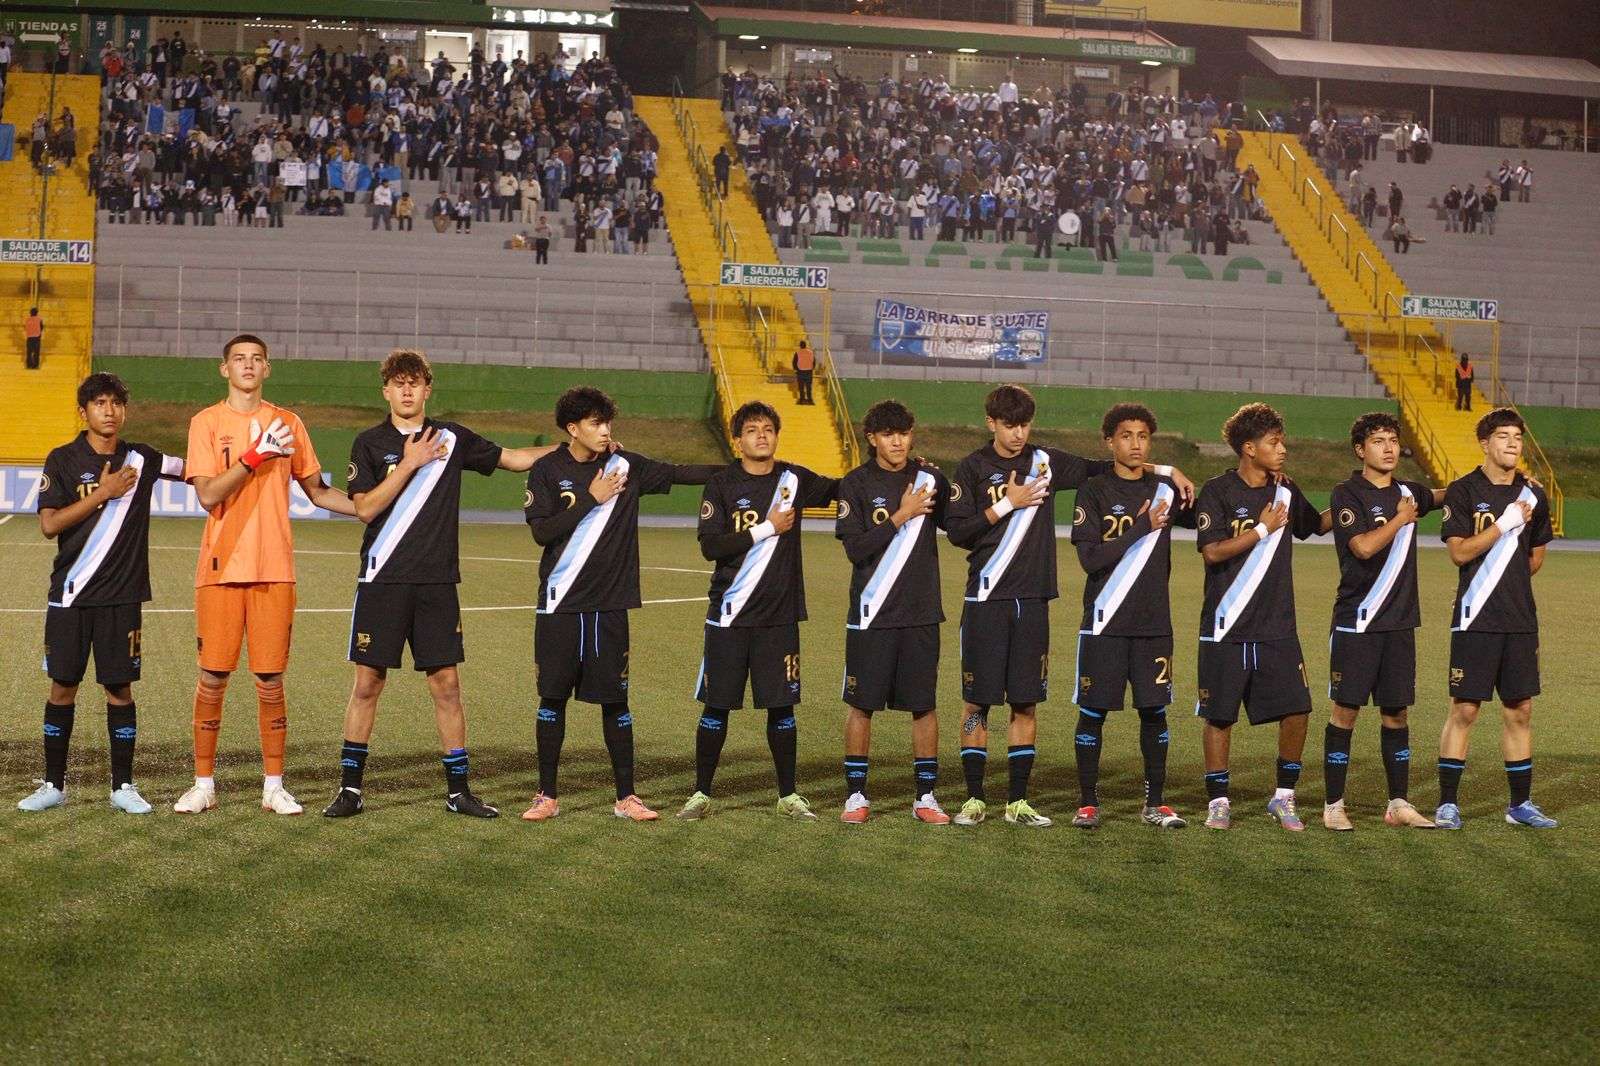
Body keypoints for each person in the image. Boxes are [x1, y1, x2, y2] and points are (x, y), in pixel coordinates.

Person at [324, 350, 558, 820]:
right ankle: (350, 789)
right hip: (383, 579)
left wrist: (572, 450)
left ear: (428, 389)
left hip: (437, 583)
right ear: (386, 391)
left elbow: (514, 459)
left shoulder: (452, 437)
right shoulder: (369, 443)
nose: (407, 390)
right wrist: (410, 463)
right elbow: (366, 509)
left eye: (415, 383)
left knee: (447, 685)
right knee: (368, 683)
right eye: (398, 383)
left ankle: (459, 791)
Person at [945, 384, 1193, 828]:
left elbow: (1110, 463)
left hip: (1034, 599)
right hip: (985, 599)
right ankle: (974, 798)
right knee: (977, 703)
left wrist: (1167, 468)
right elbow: (958, 531)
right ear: (991, 423)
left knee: (1025, 703)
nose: (1018, 434)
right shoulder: (972, 468)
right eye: (1008, 425)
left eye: (1024, 424)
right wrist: (1007, 503)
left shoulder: (1046, 462)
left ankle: (1017, 801)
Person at [174, 334, 356, 816]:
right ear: (224, 369)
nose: (248, 365)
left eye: (256, 359)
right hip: (219, 567)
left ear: (267, 369)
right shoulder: (206, 423)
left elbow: (318, 491)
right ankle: (203, 783)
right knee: (212, 678)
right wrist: (255, 456)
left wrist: (372, 509)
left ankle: (273, 786)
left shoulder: (289, 423)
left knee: (271, 680)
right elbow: (209, 494)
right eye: (239, 359)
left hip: (275, 568)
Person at [520, 387, 721, 823]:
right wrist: (593, 496)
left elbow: (680, 473)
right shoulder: (547, 471)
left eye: (606, 422)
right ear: (572, 428)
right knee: (552, 699)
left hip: (610, 605)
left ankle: (626, 797)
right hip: (560, 604)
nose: (605, 429)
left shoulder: (626, 466)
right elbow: (542, 533)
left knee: (616, 701)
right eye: (594, 422)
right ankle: (546, 795)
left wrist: (742, 469)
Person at [17, 374, 186, 814]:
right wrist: (104, 494)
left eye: (115, 403)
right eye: (99, 403)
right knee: (62, 688)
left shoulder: (143, 458)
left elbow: (190, 470)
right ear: (84, 411)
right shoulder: (63, 459)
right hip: (70, 595)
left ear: (124, 410)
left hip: (122, 597)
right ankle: (54, 785)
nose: (108, 411)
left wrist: (244, 460)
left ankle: (123, 786)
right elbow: (49, 524)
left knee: (120, 690)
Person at [678, 402, 839, 821]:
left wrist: (904, 470)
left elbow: (844, 488)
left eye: (768, 429)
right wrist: (766, 527)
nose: (761, 436)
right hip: (729, 615)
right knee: (716, 706)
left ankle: (788, 795)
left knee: (781, 707)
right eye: (752, 430)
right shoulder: (722, 484)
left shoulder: (794, 479)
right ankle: (700, 793)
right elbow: (711, 546)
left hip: (779, 617)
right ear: (738, 440)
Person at [1193, 403, 1329, 831]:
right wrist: (1263, 529)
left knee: (1298, 710)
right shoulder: (1217, 491)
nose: (1283, 449)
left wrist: (1361, 498)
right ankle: (1219, 801)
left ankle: (1283, 797)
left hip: (1277, 627)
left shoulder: (1286, 491)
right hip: (1226, 624)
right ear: (1249, 449)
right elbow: (1212, 552)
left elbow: (1318, 526)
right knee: (1219, 715)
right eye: (1274, 443)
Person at [1068, 404, 1196, 830]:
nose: (1136, 444)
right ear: (1109, 441)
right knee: (1093, 713)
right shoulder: (1094, 492)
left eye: (1143, 436)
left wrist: (1172, 471)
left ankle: (1155, 803)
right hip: (1104, 623)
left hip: (1153, 625)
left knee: (1154, 712)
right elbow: (1090, 559)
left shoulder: (1166, 490)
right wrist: (1140, 527)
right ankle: (1088, 803)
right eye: (1126, 435)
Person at [1322, 413, 1446, 830]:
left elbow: (1444, 495)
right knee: (1345, 712)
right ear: (1361, 450)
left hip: (1399, 624)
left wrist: (1494, 484)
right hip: (1357, 622)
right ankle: (1333, 805)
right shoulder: (1347, 493)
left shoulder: (1410, 492)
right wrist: (1400, 519)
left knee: (1396, 714)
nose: (1389, 447)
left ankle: (1398, 804)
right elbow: (1361, 547)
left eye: (1393, 440)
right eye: (1378, 441)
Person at [832, 401, 953, 825]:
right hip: (871, 615)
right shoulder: (856, 484)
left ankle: (926, 797)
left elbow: (959, 527)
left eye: (903, 432)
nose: (897, 441)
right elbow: (855, 548)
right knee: (861, 705)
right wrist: (900, 516)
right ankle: (855, 796)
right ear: (872, 439)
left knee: (924, 705)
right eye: (888, 434)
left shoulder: (931, 479)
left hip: (921, 613)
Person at [1435, 409, 1556, 829]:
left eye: (1518, 437)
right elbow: (1459, 553)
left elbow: (1536, 556)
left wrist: (1510, 574)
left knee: (1520, 710)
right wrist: (1504, 525)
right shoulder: (1463, 491)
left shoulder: (1535, 494)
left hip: (1520, 620)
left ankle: (1519, 806)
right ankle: (1447, 803)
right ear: (1484, 443)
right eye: (1503, 436)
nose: (1512, 444)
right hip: (1475, 618)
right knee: (1465, 709)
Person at [792, 339, 815, 405]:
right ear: (805, 345)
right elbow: (814, 361)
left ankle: (802, 400)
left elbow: (794, 362)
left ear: (800, 346)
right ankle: (810, 400)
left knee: (801, 386)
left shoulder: (798, 353)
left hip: (800, 371)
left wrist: (795, 369)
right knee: (808, 386)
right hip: (809, 371)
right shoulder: (810, 352)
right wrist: (811, 368)